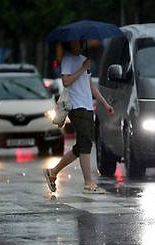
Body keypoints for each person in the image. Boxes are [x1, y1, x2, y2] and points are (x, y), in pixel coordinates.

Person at [43, 40, 114, 194]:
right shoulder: (68, 59)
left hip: (88, 107)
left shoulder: (84, 59)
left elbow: (90, 86)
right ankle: (88, 184)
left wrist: (104, 103)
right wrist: (83, 68)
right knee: (86, 143)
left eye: (79, 42)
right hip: (76, 107)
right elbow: (66, 81)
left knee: (81, 146)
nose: (78, 44)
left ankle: (53, 172)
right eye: (75, 42)